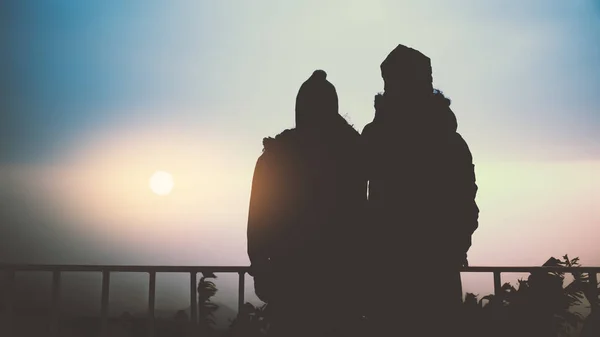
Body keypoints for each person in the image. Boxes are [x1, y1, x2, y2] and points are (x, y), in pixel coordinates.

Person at [362, 44, 479, 336]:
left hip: (391, 268)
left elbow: (352, 198)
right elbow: (466, 200)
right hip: (428, 267)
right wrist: (455, 246)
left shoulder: (376, 136)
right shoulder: (449, 140)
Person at [247, 70, 367, 337]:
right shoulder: (351, 155)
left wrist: (260, 266)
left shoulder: (275, 156)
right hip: (341, 283)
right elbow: (362, 217)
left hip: (290, 280)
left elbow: (258, 218)